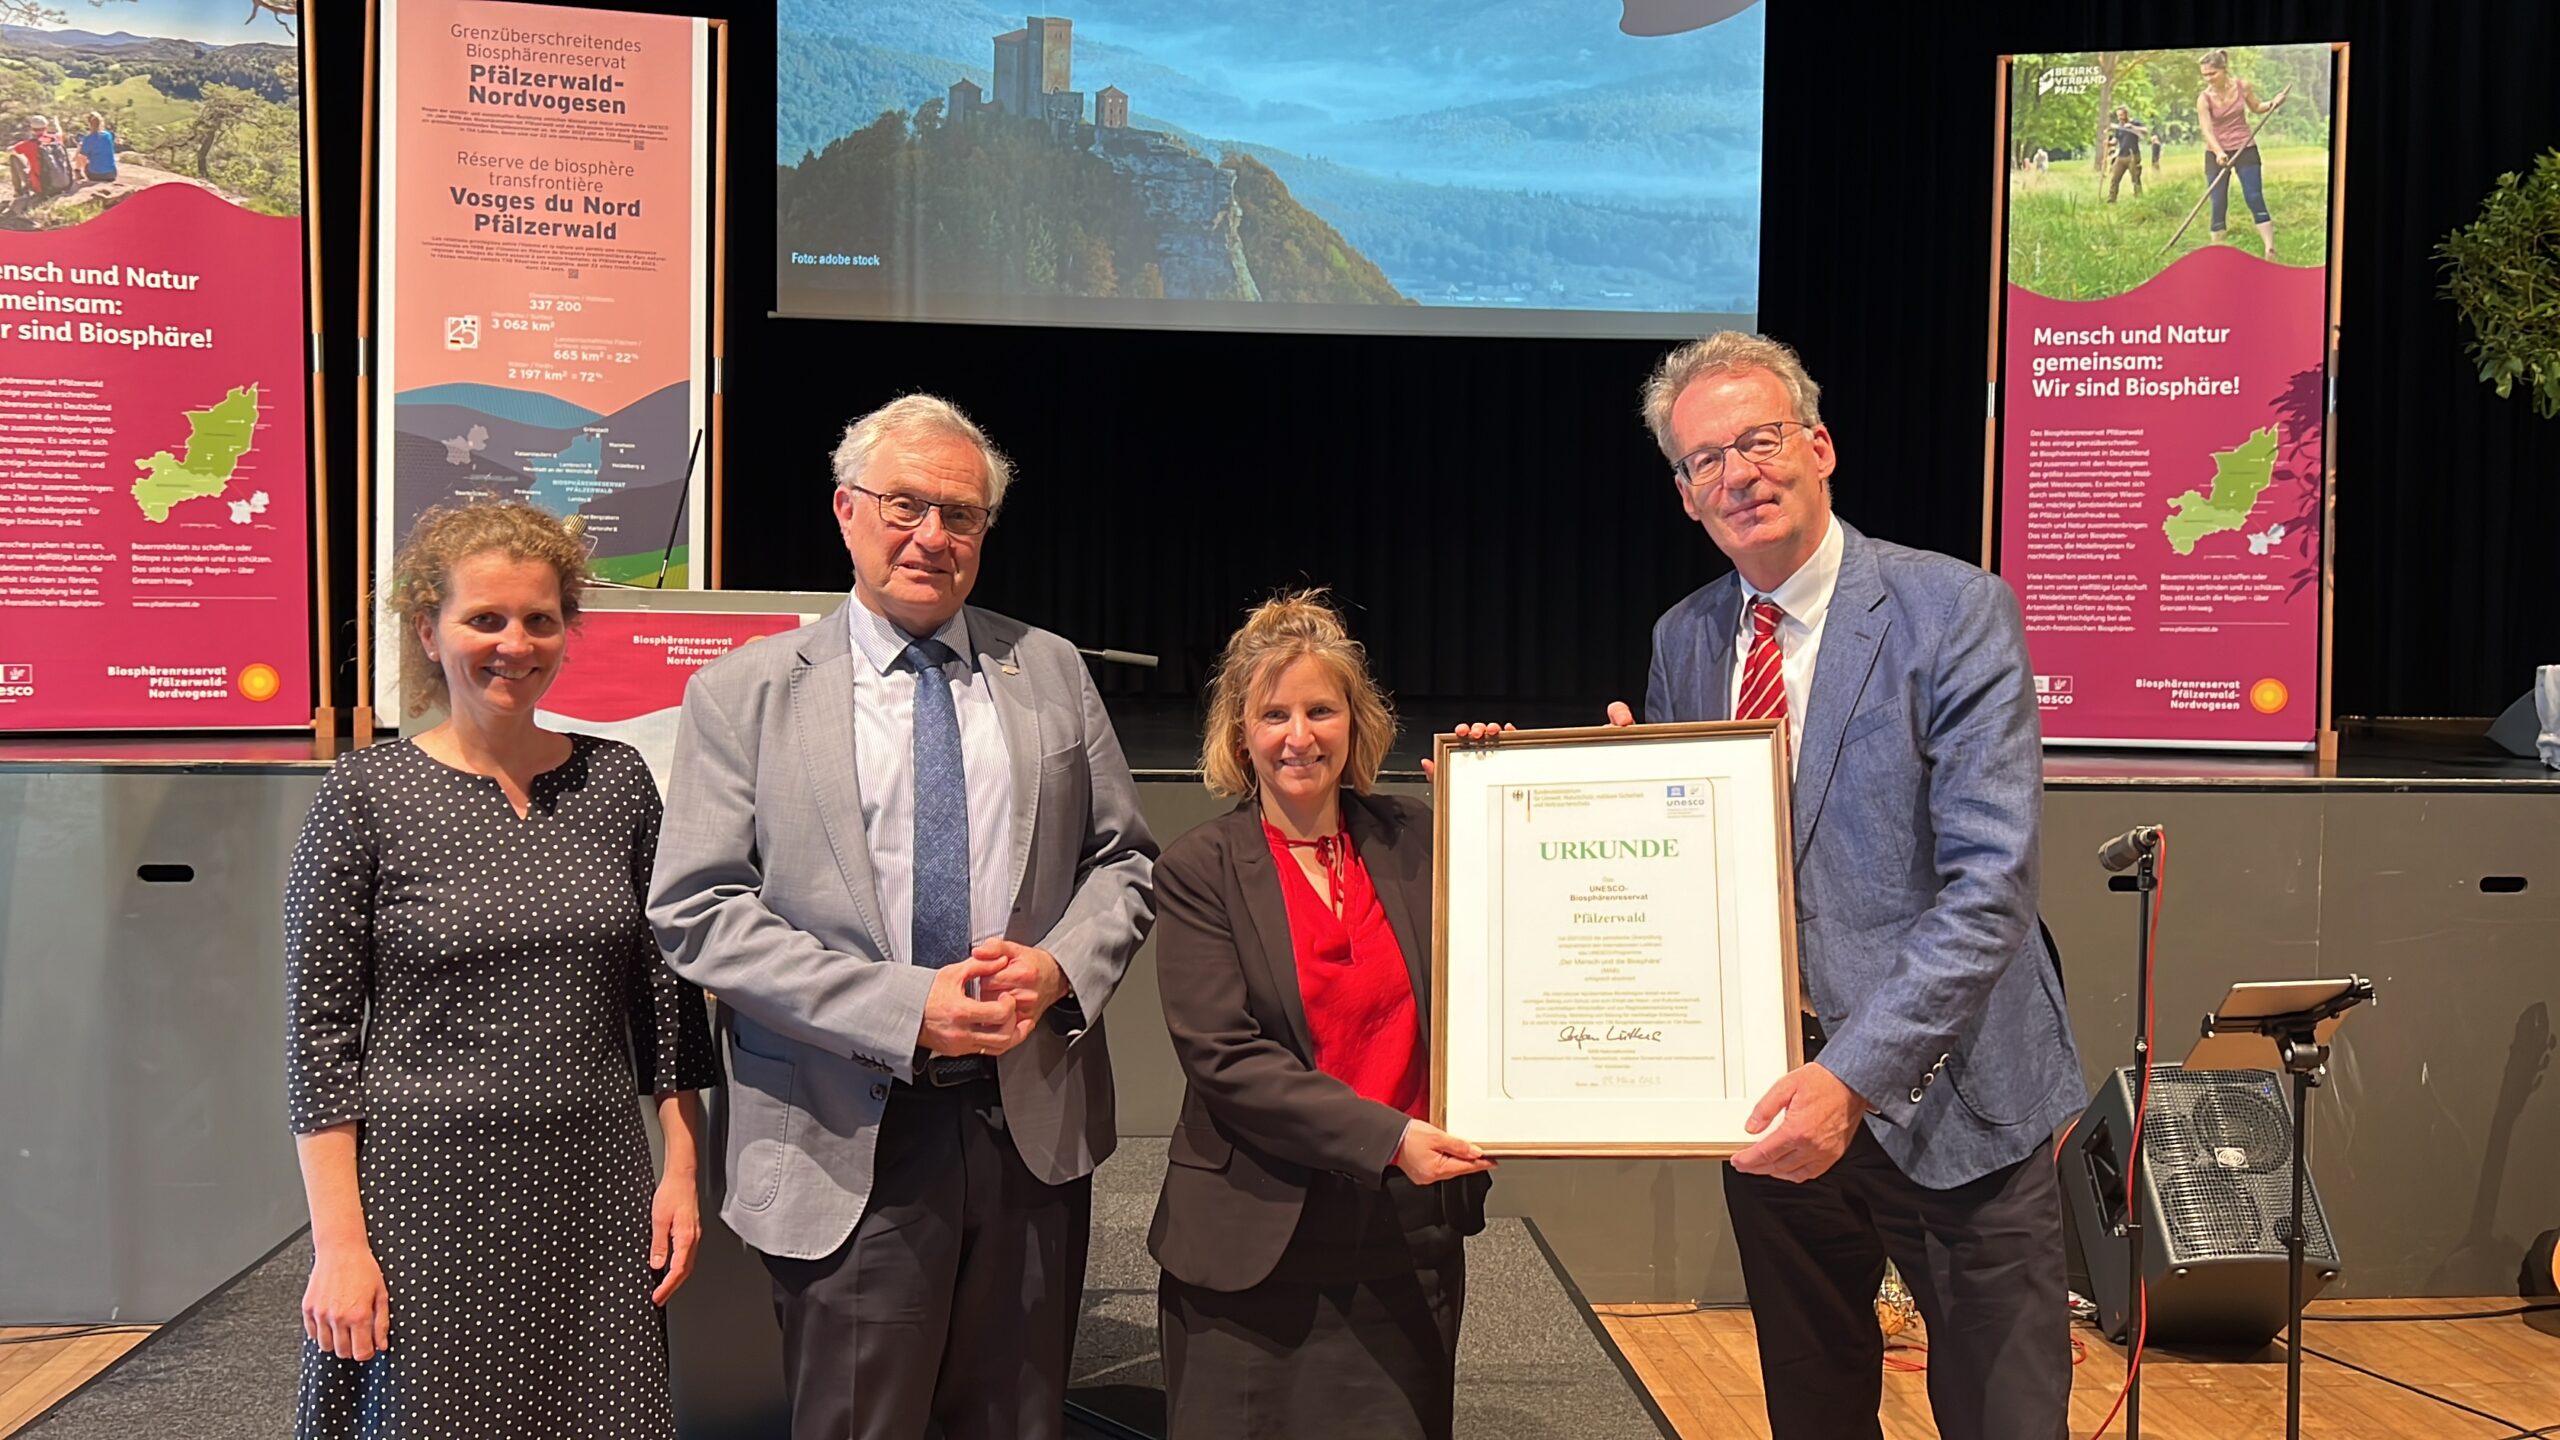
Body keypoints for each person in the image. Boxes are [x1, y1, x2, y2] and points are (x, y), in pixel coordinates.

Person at [648, 393, 1157, 1440]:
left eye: (960, 514)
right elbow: (698, 911)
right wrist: (899, 1006)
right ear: (845, 511)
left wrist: (1059, 969)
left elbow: (1125, 862)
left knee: (1016, 1420)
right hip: (843, 1128)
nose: (932, 535)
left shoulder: (1049, 669)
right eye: (904, 505)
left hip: (1028, 1126)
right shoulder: (743, 693)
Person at [1608, 332, 2083, 1439]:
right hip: (1773, 1101)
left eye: (1759, 440)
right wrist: (1579, 797)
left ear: (1817, 447)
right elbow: (1699, 870)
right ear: (1685, 496)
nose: (1738, 473)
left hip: (1953, 1100)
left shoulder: (1953, 610)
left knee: (2003, 1419)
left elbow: (1990, 888)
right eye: (1705, 460)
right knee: (1813, 1411)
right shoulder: (1685, 640)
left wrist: (1852, 1077)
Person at [285, 501, 719, 1439]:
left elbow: (668, 999)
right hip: (422, 1196)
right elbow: (318, 1040)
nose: (514, 644)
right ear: (425, 629)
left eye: (539, 619)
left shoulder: (618, 783)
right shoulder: (363, 797)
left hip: (594, 1185)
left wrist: (683, 1164)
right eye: (484, 619)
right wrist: (339, 1242)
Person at [1149, 592, 1496, 1440]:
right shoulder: (1201, 868)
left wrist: (1500, 797)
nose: (1298, 734)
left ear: (1357, 722)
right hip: (1249, 1249)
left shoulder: (1419, 838)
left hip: (1402, 1236)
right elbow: (1226, 1059)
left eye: (1320, 709)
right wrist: (1387, 1137)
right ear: (1240, 733)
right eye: (1273, 714)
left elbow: (1524, 950)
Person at [2197, 48, 2288, 257]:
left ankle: (2269, 248)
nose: (2209, 79)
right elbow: (2207, 131)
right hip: (2215, 152)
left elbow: (2257, 107)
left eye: (2213, 73)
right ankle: (2217, 252)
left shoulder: (2242, 86)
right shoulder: (2203, 98)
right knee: (2218, 201)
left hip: (2245, 146)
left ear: (2224, 69)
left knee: (2254, 195)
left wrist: (2274, 102)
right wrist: (2219, 152)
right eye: (2205, 75)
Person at [2106, 105, 2148, 202]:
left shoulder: (2135, 123)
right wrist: (2108, 144)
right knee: (2114, 179)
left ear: (2126, 114)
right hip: (2121, 156)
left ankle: (2139, 198)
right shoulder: (2119, 127)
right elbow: (2115, 141)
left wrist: (2133, 127)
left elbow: (2145, 131)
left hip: (2133, 155)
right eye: (2118, 115)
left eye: (2121, 115)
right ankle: (2111, 199)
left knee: (2135, 178)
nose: (2119, 117)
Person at [75, 111, 115, 184]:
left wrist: (81, 146)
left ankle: (77, 172)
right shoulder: (108, 135)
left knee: (80, 152)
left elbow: (82, 157)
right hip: (111, 174)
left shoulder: (88, 139)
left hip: (95, 175)